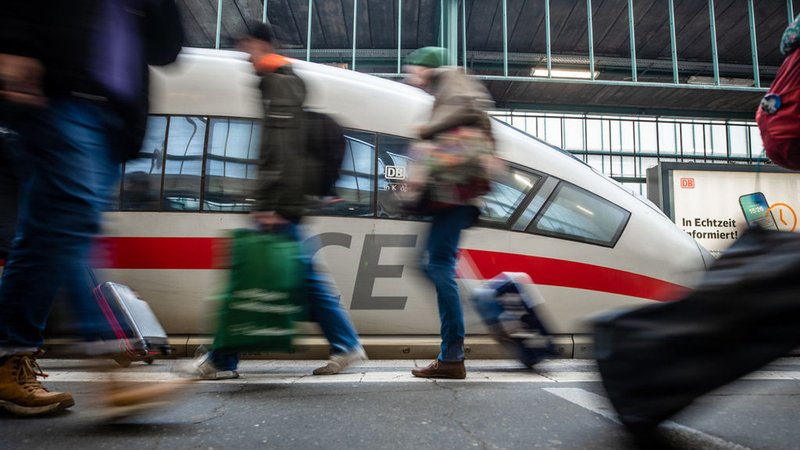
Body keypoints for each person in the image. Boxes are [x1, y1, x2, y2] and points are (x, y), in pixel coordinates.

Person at [0, 0, 184, 416]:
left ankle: (9, 362)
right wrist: (12, 44)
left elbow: (166, 48)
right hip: (58, 91)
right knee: (74, 220)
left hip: (113, 114)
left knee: (47, 235)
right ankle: (113, 372)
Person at [190, 22, 367, 379]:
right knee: (305, 278)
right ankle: (347, 345)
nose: (244, 57)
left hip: (279, 203)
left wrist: (273, 205)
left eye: (246, 48)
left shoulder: (279, 81)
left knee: (246, 278)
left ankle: (222, 359)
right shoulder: (278, 81)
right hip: (283, 200)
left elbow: (283, 152)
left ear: (259, 44)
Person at [403, 47, 495, 379]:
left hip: (454, 196)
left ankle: (454, 353)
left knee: (436, 265)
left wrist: (426, 130)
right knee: (433, 264)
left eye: (414, 70)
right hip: (452, 197)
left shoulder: (452, 81)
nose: (412, 77)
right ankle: (452, 352)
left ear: (429, 67)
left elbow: (465, 113)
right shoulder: (446, 90)